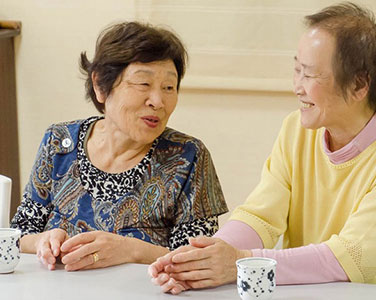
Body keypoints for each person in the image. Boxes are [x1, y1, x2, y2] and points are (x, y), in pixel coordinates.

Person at [149, 2, 376, 294]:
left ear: (359, 85)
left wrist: (239, 263)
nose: (298, 86)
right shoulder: (296, 129)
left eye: (309, 74)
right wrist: (204, 258)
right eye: (296, 70)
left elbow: (348, 257)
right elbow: (261, 216)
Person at [10, 21, 228, 271]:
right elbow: (17, 234)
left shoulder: (187, 157)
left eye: (169, 87)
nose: (158, 101)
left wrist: (130, 250)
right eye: (143, 84)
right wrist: (42, 241)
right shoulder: (59, 142)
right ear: (101, 86)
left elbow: (198, 260)